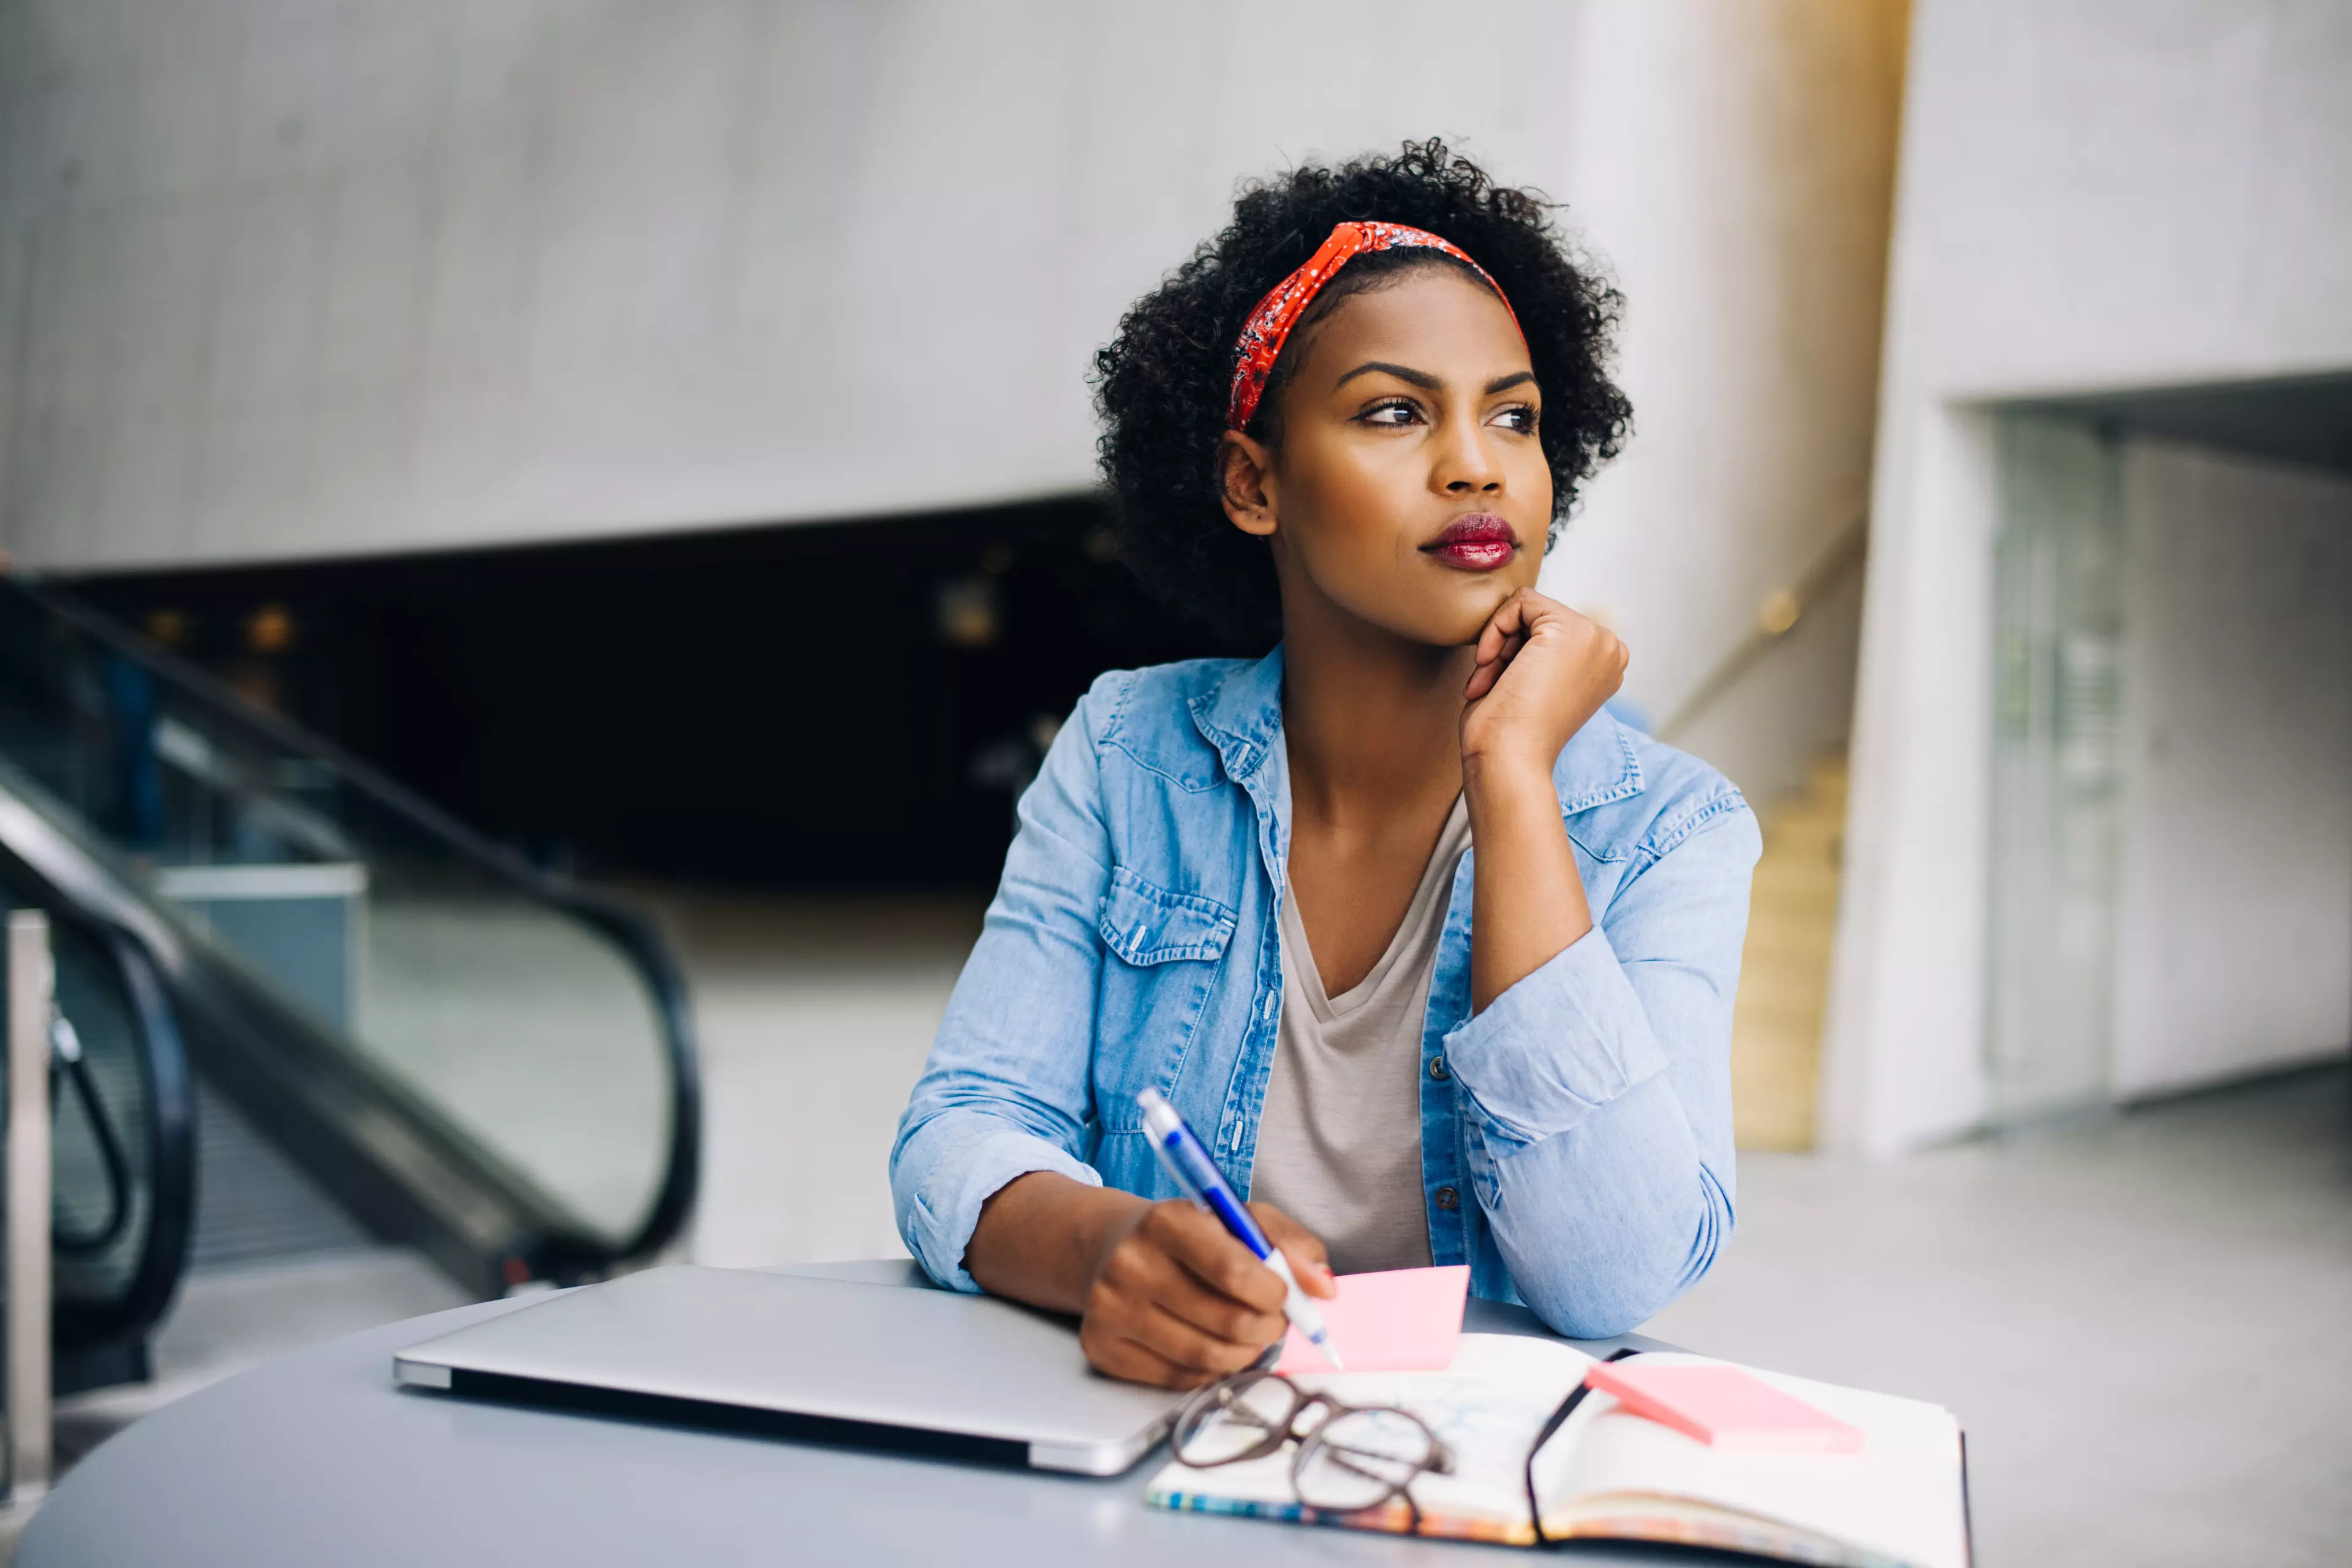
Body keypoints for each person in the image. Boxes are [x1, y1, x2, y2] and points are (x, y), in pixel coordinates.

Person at [891, 140, 1759, 1389]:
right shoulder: (1131, 752)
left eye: (1512, 415)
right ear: (1255, 483)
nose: (1477, 464)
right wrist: (1108, 1246)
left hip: (1469, 1480)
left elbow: (1611, 1273)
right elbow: (961, 1128)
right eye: (1396, 411)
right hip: (1167, 1448)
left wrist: (1514, 778)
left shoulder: (1673, 826)